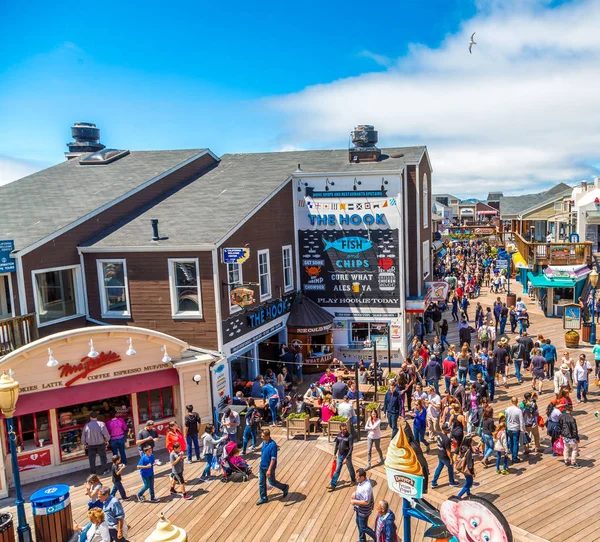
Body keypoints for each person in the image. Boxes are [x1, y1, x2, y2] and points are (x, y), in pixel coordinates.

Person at [256, 428, 289, 505]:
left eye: (263, 436)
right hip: (262, 466)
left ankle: (284, 487)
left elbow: (273, 458)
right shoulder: (264, 443)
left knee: (272, 482)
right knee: (261, 483)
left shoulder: (273, 445)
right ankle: (263, 497)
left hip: (268, 467)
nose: (261, 437)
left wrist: (269, 470)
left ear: (267, 436)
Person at [328, 422, 356, 491]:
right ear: (340, 430)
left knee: (350, 469)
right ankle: (333, 484)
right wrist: (334, 453)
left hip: (347, 456)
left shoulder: (350, 436)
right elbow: (337, 445)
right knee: (337, 470)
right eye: (344, 429)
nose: (345, 430)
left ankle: (353, 480)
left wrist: (347, 458)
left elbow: (351, 448)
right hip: (340, 455)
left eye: (346, 429)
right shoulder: (339, 435)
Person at [351, 468, 375, 542]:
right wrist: (355, 493)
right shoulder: (363, 481)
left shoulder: (366, 487)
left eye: (357, 476)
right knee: (358, 523)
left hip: (364, 511)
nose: (355, 477)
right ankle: (362, 540)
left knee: (363, 527)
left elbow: (366, 502)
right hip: (359, 509)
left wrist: (354, 501)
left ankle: (377, 538)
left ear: (362, 477)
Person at [431, 423, 457, 488]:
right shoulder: (446, 440)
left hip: (440, 454)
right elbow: (448, 451)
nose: (449, 431)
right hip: (445, 456)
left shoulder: (439, 434)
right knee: (450, 468)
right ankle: (451, 482)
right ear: (444, 430)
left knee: (439, 467)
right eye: (448, 430)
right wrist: (451, 459)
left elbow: (443, 441)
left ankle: (434, 482)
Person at [505, 397, 525, 463]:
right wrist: (522, 429)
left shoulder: (507, 409)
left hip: (509, 428)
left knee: (510, 441)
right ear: (517, 401)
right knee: (515, 442)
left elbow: (506, 418)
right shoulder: (518, 410)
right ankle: (514, 457)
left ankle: (511, 452)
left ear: (511, 401)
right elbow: (521, 420)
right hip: (516, 428)